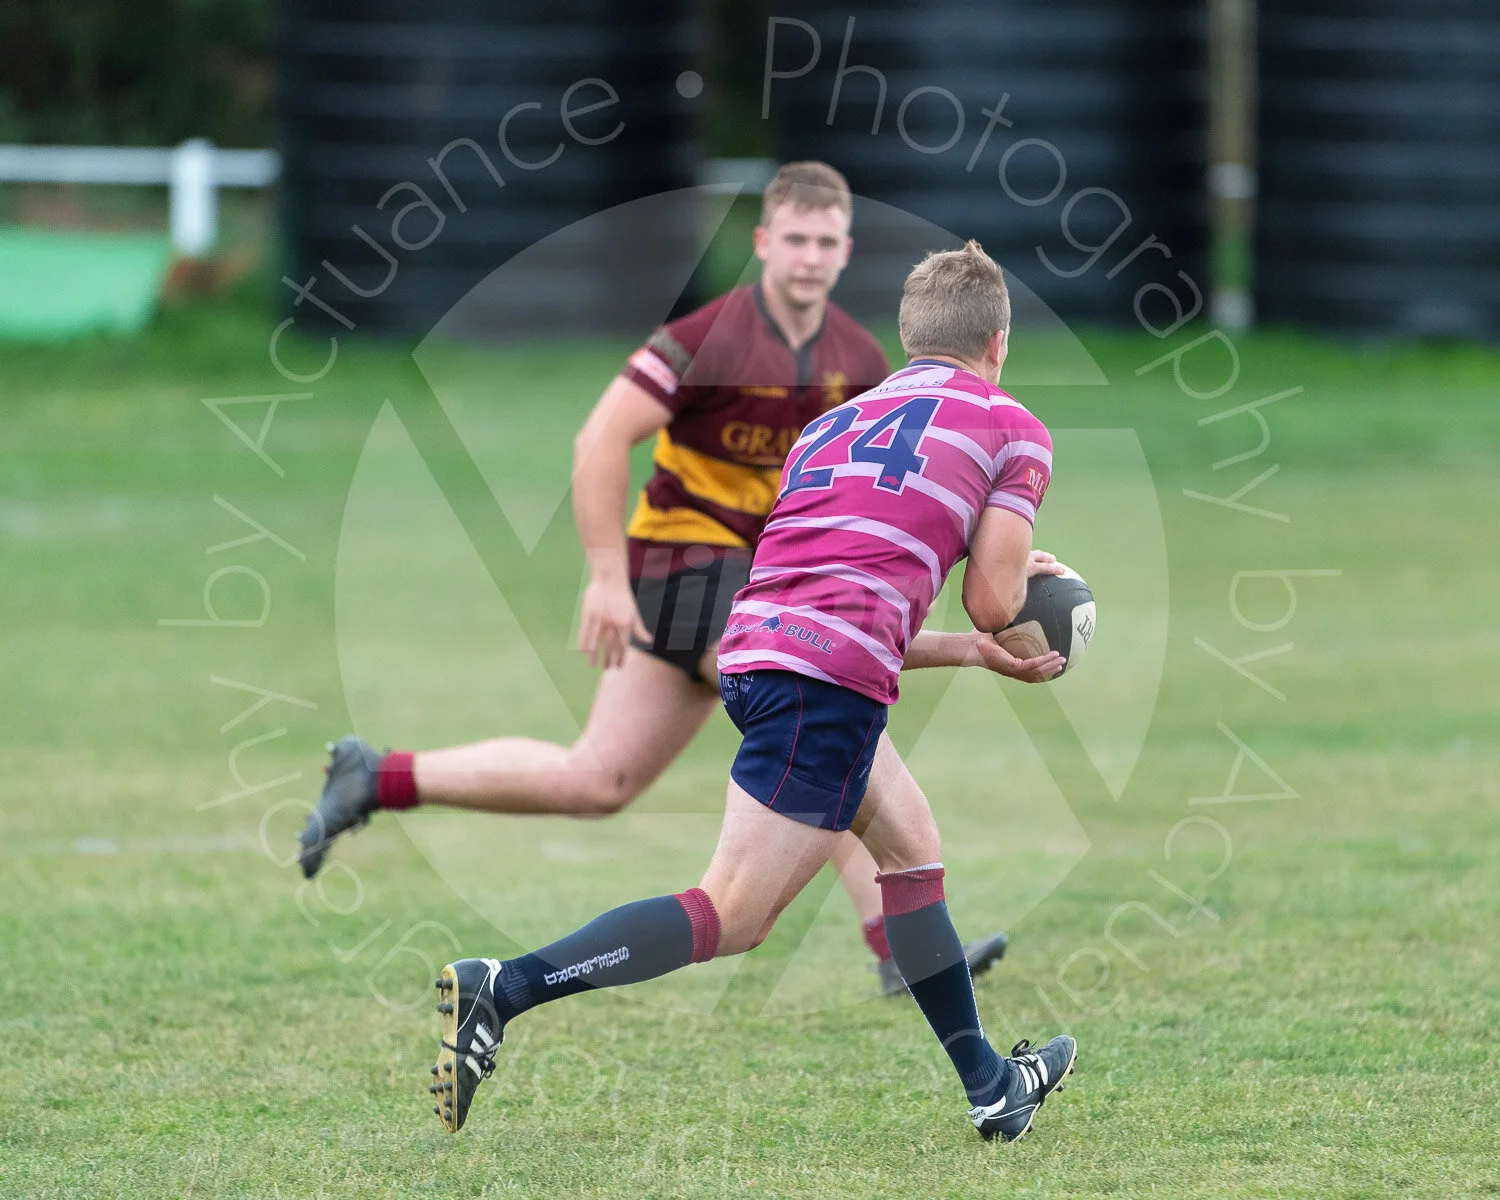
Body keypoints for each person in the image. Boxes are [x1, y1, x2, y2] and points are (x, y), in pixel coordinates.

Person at [299, 163, 1014, 994]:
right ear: (763, 243)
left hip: (767, 585)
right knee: (826, 717)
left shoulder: (856, 357)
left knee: (598, 778)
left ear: (846, 251)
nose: (810, 257)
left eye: (826, 242)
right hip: (683, 573)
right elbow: (601, 439)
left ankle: (377, 775)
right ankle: (896, 946)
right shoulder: (710, 337)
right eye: (795, 239)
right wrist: (607, 578)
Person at [428, 240, 1077, 1144]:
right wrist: (1013, 575)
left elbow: (834, 602)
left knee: (910, 849)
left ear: (908, 336)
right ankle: (503, 989)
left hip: (756, 653)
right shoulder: (1012, 427)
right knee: (729, 915)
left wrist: (969, 652)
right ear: (998, 343)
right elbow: (996, 601)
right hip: (824, 689)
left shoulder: (830, 425)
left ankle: (993, 1089)